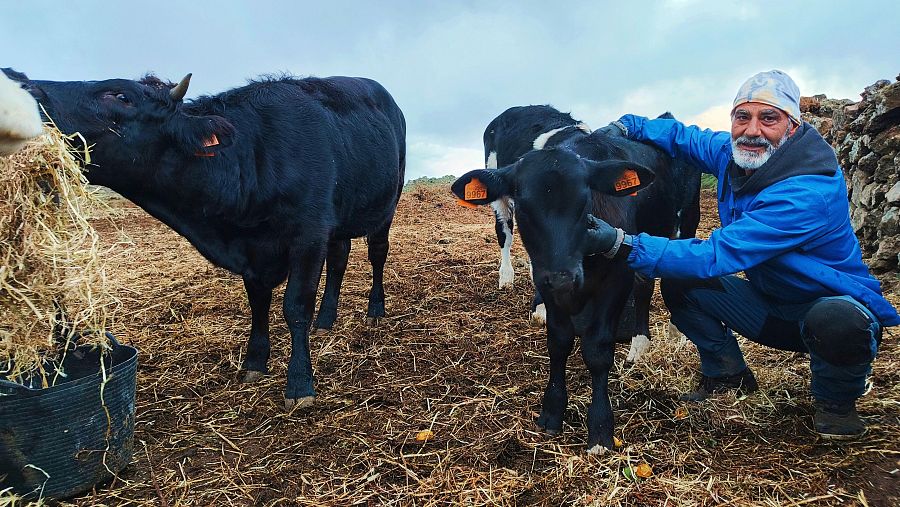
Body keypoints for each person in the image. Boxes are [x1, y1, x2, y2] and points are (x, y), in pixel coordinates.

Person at [588, 69, 898, 439]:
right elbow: (684, 137)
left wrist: (621, 243)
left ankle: (836, 402)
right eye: (742, 116)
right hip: (772, 305)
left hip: (828, 311)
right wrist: (626, 126)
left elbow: (715, 254)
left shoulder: (805, 194)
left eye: (769, 118)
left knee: (837, 320)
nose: (752, 130)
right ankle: (727, 373)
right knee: (680, 280)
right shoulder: (734, 154)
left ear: (793, 126)